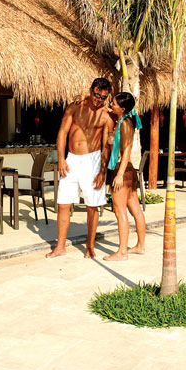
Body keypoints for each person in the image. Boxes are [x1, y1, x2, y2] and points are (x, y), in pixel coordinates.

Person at [47, 77, 113, 259]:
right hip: (71, 159)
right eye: (97, 95)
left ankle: (90, 246)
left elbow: (106, 146)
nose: (99, 100)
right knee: (63, 203)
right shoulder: (75, 107)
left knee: (92, 206)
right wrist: (61, 158)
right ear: (91, 91)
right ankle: (60, 246)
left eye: (104, 97)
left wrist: (102, 171)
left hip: (93, 160)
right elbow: (62, 133)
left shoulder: (106, 115)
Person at [103, 92, 146, 261]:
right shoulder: (122, 120)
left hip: (122, 170)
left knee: (119, 210)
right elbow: (108, 110)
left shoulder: (125, 124)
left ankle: (122, 252)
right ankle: (140, 246)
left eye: (113, 103)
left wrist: (119, 174)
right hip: (127, 170)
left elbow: (127, 149)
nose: (111, 105)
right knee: (135, 209)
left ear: (122, 108)